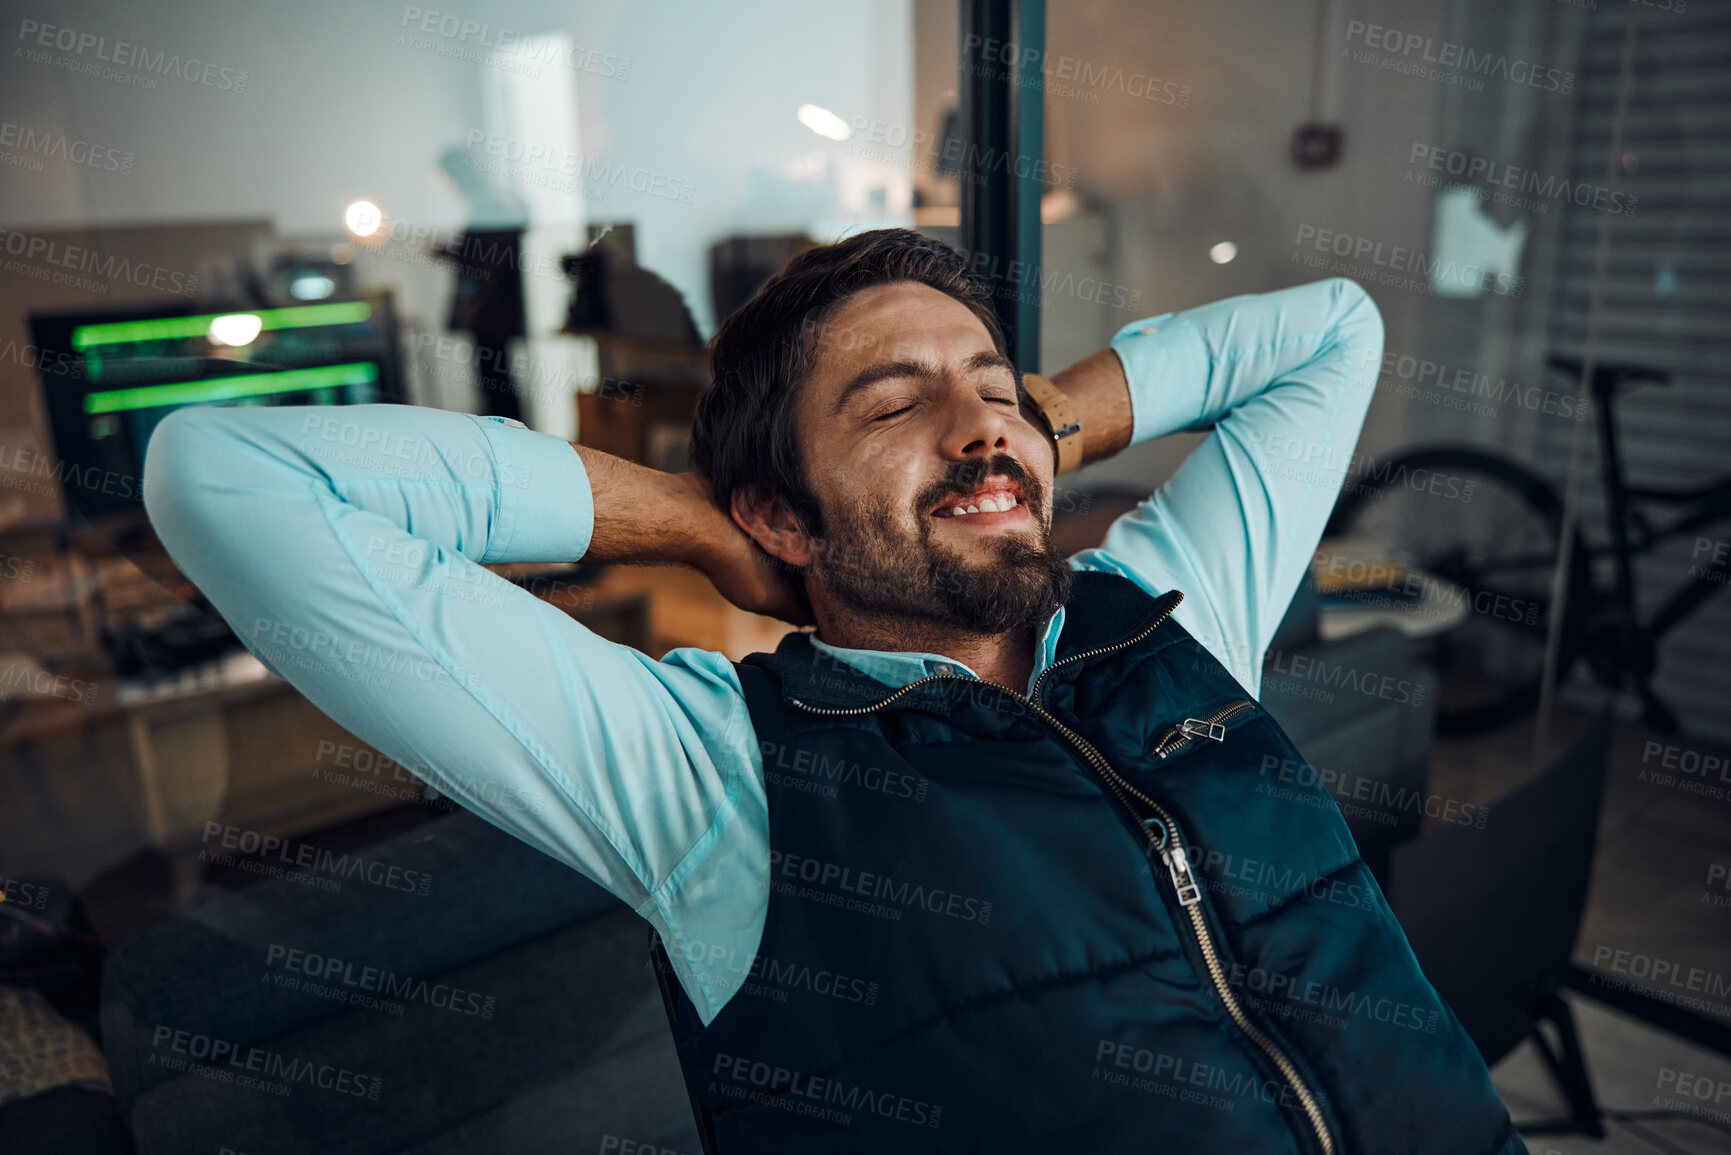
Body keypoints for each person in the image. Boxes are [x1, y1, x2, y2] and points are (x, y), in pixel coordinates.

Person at [141, 229, 1526, 1154]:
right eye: (892, 404)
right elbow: (228, 480)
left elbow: (1331, 330)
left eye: (992, 390)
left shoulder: (1171, 615)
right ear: (782, 520)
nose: (978, 422)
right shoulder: (713, 777)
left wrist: (1034, 421)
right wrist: (685, 519)